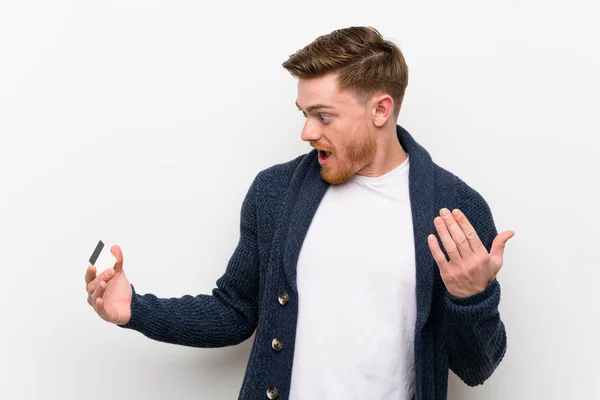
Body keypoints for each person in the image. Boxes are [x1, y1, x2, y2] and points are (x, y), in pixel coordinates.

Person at [84, 26, 514, 400]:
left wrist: (471, 298)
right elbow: (235, 310)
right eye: (305, 114)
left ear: (380, 109)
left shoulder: (456, 211)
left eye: (323, 116)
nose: (307, 132)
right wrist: (135, 309)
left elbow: (477, 369)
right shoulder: (274, 192)